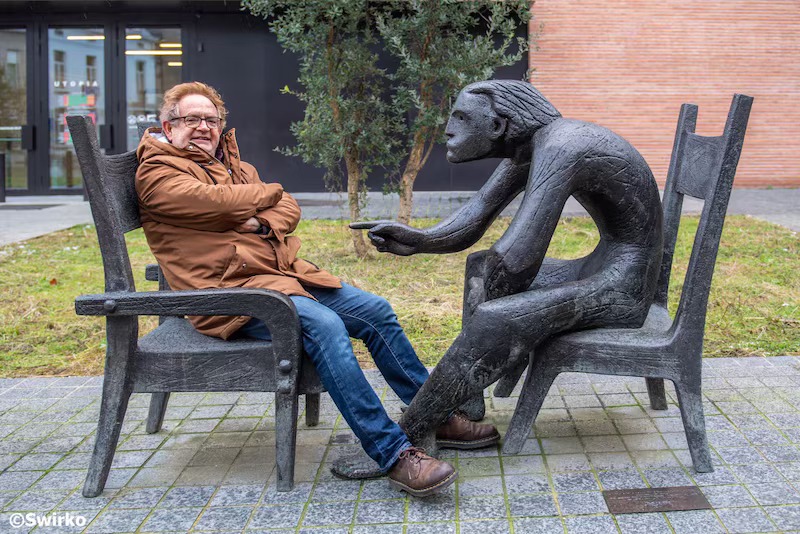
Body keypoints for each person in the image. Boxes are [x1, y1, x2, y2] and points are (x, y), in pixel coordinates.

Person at [135, 81, 499, 498]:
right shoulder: (157, 170)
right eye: (190, 119)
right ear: (167, 124)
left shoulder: (232, 166)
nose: (202, 127)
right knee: (325, 327)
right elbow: (212, 202)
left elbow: (288, 207)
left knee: (376, 311)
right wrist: (264, 195)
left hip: (278, 277)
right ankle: (394, 453)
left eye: (210, 120)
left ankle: (432, 415)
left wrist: (259, 217)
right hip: (228, 296)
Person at [357, 79, 663, 451]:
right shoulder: (533, 144)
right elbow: (479, 211)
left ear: (498, 125)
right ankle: (464, 398)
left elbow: (519, 257)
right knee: (481, 269)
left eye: (460, 118)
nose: (448, 130)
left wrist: (497, 322)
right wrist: (421, 239)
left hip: (625, 286)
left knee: (498, 317)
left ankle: (407, 438)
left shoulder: (561, 146)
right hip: (603, 267)